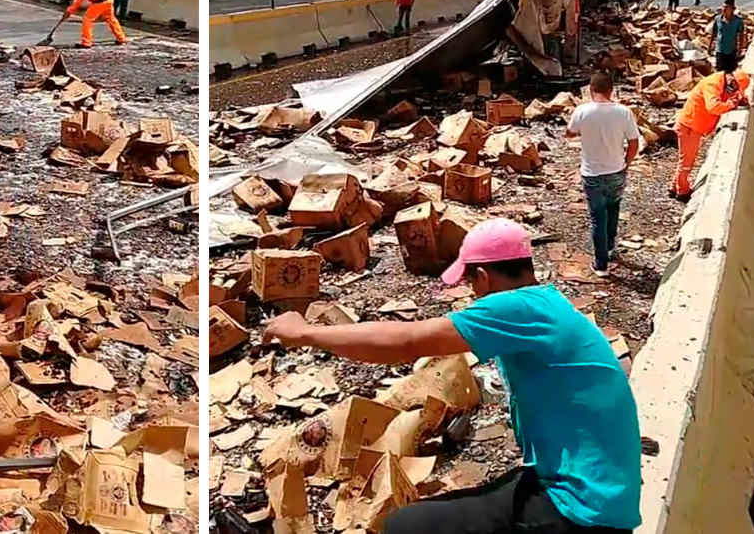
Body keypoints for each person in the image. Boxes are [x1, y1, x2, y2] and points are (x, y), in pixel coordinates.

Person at [263, 218, 642, 534]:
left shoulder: (516, 309)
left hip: (582, 511)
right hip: (596, 489)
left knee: (405, 526)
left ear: (484, 277)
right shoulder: (546, 303)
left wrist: (305, 333)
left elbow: (405, 342)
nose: (473, 294)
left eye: (471, 284)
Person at [565, 73, 639, 277]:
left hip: (592, 174)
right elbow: (634, 143)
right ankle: (610, 248)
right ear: (611, 90)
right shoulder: (623, 112)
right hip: (616, 170)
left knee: (597, 217)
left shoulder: (582, 111)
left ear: (590, 90)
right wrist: (627, 163)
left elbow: (570, 132)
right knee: (613, 208)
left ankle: (601, 265)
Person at [671, 69, 750, 201]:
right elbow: (713, 107)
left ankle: (674, 187)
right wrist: (731, 104)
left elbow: (734, 96)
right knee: (687, 162)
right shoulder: (712, 84)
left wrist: (739, 99)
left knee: (687, 159)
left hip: (693, 126)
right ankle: (682, 191)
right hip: (690, 126)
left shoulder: (725, 81)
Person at [710, 2, 746, 73]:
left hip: (731, 50)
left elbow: (741, 35)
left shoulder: (738, 21)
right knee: (720, 72)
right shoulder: (718, 19)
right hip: (720, 50)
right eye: (723, 7)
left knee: (731, 71)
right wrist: (710, 45)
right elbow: (714, 33)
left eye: (727, 7)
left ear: (732, 9)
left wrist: (740, 48)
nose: (724, 9)